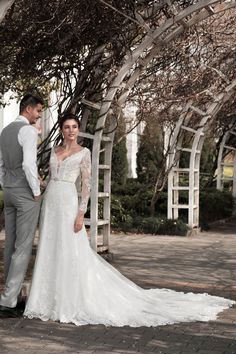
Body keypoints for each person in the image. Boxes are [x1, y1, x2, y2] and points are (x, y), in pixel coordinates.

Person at [24, 113, 235, 326]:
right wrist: (40, 186)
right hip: (50, 203)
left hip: (69, 202)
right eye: (67, 127)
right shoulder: (55, 150)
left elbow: (87, 186)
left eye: (74, 127)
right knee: (49, 247)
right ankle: (46, 300)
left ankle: (68, 301)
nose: (71, 130)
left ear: (78, 130)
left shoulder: (84, 152)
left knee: (69, 248)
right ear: (61, 129)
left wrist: (81, 214)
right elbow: (52, 177)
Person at [0, 93, 44, 318]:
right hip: (25, 193)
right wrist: (36, 192)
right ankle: (8, 301)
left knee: (10, 245)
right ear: (28, 109)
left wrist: (5, 185)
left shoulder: (5, 130)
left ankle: (10, 295)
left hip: (8, 191)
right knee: (23, 247)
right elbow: (29, 164)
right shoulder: (27, 130)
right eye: (38, 111)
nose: (39, 116)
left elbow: (0, 164)